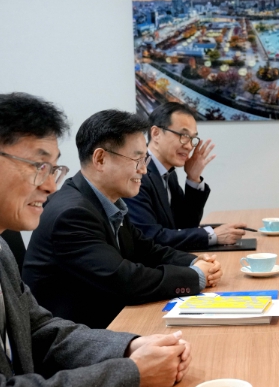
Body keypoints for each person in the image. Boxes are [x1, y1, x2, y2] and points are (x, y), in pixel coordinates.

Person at [0, 92, 192, 387]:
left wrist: (130, 346)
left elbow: (41, 330)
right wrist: (130, 373)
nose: (50, 185)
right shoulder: (71, 211)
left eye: (53, 168)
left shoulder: (2, 250)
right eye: (38, 165)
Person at [22, 109, 222, 329]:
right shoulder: (72, 214)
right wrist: (194, 277)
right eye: (137, 159)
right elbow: (125, 280)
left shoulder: (106, 201)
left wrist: (195, 262)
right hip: (76, 338)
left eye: (144, 159)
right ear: (100, 159)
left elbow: (147, 249)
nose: (144, 170)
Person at [123, 102, 246, 250]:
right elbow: (150, 237)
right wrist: (211, 235)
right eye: (183, 136)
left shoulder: (168, 174)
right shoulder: (137, 174)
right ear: (156, 134)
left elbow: (185, 225)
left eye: (192, 138)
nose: (188, 146)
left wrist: (193, 179)